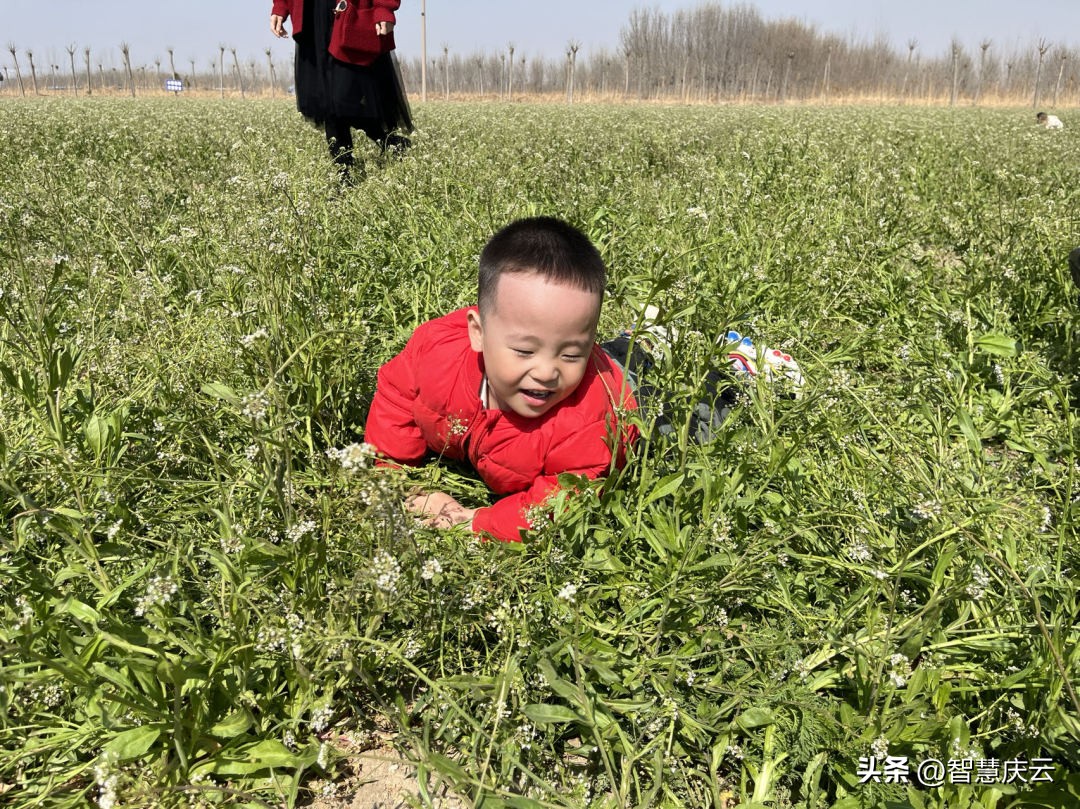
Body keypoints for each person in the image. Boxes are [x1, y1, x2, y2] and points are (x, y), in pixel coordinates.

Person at [363, 217, 640, 542]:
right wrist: (408, 488)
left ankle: (645, 342)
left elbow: (563, 500)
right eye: (524, 350)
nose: (547, 372)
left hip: (640, 392)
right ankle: (625, 342)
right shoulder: (437, 354)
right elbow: (395, 403)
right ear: (478, 334)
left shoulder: (593, 424)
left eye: (570, 355)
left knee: (684, 404)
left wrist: (477, 523)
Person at [271, 0, 412, 179]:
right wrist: (281, 6)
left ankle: (389, 141)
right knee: (326, 103)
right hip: (312, 18)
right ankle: (344, 177)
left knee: (342, 99)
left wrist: (384, 8)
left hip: (351, 14)